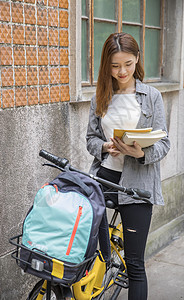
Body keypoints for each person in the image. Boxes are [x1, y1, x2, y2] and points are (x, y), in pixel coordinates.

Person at [86, 32, 170, 300]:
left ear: (137, 60)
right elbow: (90, 139)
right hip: (105, 178)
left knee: (134, 263)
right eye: (114, 65)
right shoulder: (100, 96)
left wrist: (140, 153)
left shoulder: (152, 96)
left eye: (128, 64)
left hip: (138, 184)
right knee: (89, 253)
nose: (121, 71)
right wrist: (104, 147)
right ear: (106, 65)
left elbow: (163, 144)